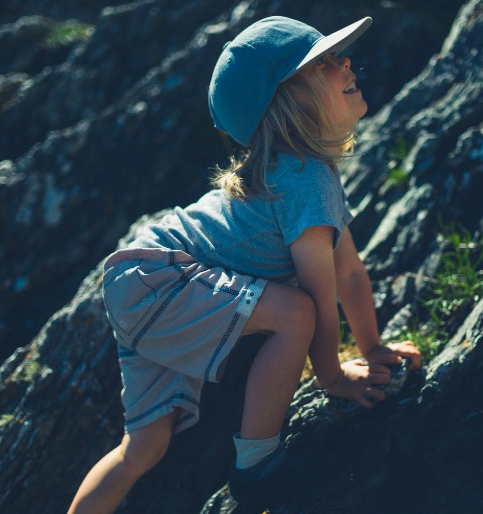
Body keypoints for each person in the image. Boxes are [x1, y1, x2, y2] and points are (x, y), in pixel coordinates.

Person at [67, 15, 421, 513]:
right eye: (321, 63)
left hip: (139, 280)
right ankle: (256, 468)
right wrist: (334, 377)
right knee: (295, 313)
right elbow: (320, 300)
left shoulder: (306, 174)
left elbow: (350, 273)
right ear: (288, 105)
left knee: (142, 448)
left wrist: (373, 348)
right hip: (159, 280)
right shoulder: (303, 178)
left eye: (336, 55)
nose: (344, 61)